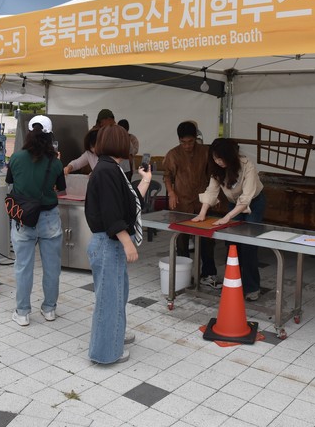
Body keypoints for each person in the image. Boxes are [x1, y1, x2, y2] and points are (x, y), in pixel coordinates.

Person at [84, 125, 151, 364]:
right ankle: (105, 353)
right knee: (109, 299)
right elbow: (112, 214)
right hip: (108, 243)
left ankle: (115, 335)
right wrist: (127, 243)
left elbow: (130, 203)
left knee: (117, 295)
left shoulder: (111, 168)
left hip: (110, 243)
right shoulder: (107, 170)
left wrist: (146, 180)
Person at [7, 115, 66, 325]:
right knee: (52, 267)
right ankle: (49, 309)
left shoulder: (16, 158)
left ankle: (23, 313)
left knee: (23, 266)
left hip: (24, 217)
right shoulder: (55, 162)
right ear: (50, 136)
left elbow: (10, 181)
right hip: (49, 218)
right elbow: (62, 189)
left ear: (29, 133)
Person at [193, 138, 265, 301]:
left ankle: (252, 287)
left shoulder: (247, 166)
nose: (218, 161)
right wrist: (202, 213)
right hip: (234, 203)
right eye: (215, 158)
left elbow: (246, 199)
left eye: (221, 158)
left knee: (248, 244)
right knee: (232, 243)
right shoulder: (216, 168)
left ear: (230, 156)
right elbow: (211, 191)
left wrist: (227, 217)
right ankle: (232, 284)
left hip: (253, 202)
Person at [162, 121, 218, 287]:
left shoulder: (205, 152)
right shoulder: (173, 154)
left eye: (190, 142)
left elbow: (213, 176)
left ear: (196, 138)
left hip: (203, 203)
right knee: (182, 241)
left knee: (207, 240)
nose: (187, 146)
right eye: (183, 142)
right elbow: (167, 176)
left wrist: (215, 197)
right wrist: (171, 193)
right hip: (182, 202)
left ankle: (208, 274)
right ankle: (184, 275)